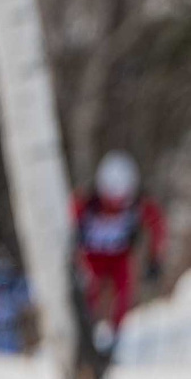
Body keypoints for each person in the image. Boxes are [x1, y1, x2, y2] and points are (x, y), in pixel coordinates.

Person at [74, 150, 165, 351]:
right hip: (91, 257)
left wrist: (155, 258)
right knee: (88, 291)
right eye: (110, 203)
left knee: (125, 290)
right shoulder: (86, 205)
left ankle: (116, 337)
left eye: (120, 202)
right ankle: (86, 335)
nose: (115, 208)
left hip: (119, 257)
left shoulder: (137, 205)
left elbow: (157, 224)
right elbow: (64, 223)